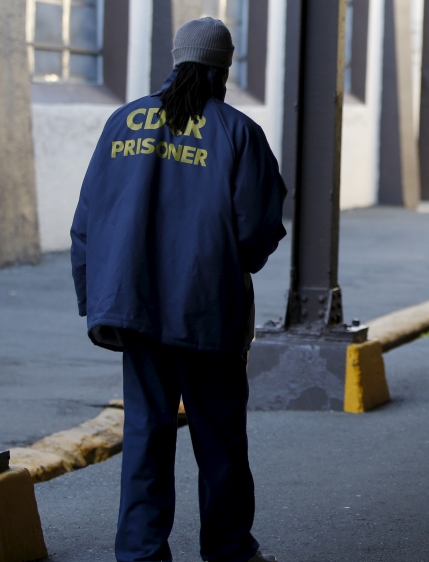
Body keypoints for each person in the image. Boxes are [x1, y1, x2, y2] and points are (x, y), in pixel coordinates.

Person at [70, 17, 286, 562]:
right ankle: (230, 550)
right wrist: (234, 270)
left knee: (146, 432)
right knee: (219, 441)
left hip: (136, 308)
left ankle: (140, 553)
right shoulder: (238, 132)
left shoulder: (123, 122)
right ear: (224, 69)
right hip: (206, 311)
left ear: (175, 60)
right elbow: (258, 227)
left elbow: (88, 220)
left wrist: (95, 300)